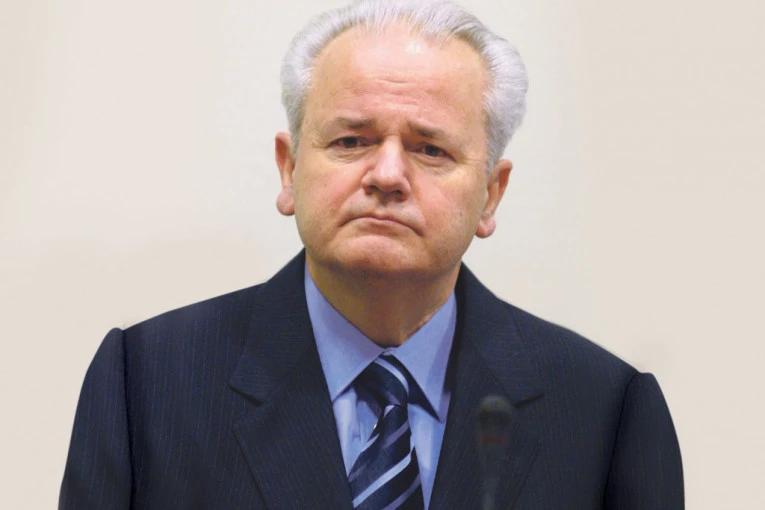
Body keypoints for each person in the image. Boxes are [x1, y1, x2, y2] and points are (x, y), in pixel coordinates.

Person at [59, 0, 684, 508]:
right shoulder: (146, 384)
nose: (387, 175)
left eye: (430, 150)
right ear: (289, 169)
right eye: (351, 140)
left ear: (491, 195)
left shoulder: (605, 412)